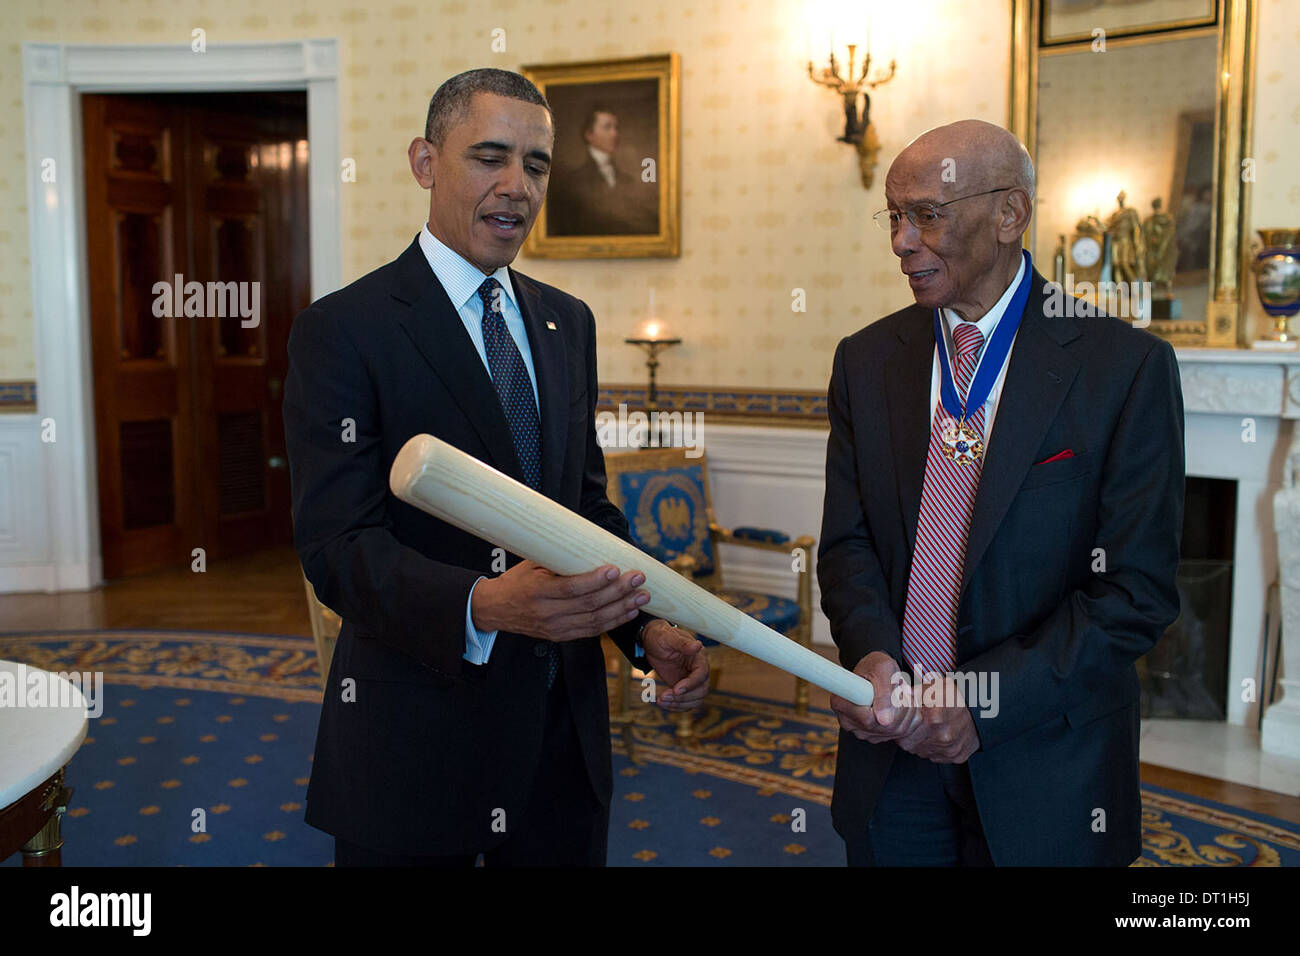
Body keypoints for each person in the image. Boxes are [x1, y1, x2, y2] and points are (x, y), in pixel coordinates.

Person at [283, 68, 708, 867]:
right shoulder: (343, 330)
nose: (516, 187)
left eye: (537, 165)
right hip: (415, 744)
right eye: (488, 157)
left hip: (561, 741)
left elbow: (585, 515)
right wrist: (485, 604)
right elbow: (337, 550)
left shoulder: (566, 321)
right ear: (424, 162)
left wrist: (648, 628)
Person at [818, 119, 1184, 866]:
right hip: (892, 755)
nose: (901, 242)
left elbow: (1134, 592)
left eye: (927, 213)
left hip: (1047, 761)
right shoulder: (865, 360)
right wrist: (875, 655)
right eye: (894, 215)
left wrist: (985, 701)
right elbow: (849, 545)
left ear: (1009, 214)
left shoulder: (1125, 368)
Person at [546, 106, 658, 236]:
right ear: (589, 135)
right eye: (607, 127)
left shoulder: (627, 181)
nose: (615, 134)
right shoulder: (572, 182)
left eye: (616, 128)